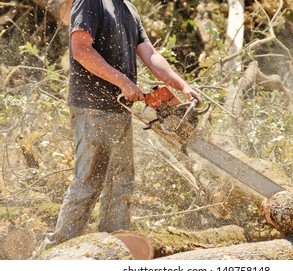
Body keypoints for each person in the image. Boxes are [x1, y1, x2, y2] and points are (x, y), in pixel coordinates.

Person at [38, 0, 202, 252]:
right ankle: (54, 252)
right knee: (89, 180)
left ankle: (112, 248)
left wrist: (182, 85)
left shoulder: (128, 8)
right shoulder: (90, 1)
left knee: (121, 180)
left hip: (118, 108)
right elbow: (81, 49)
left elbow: (150, 54)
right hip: (92, 105)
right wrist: (123, 81)